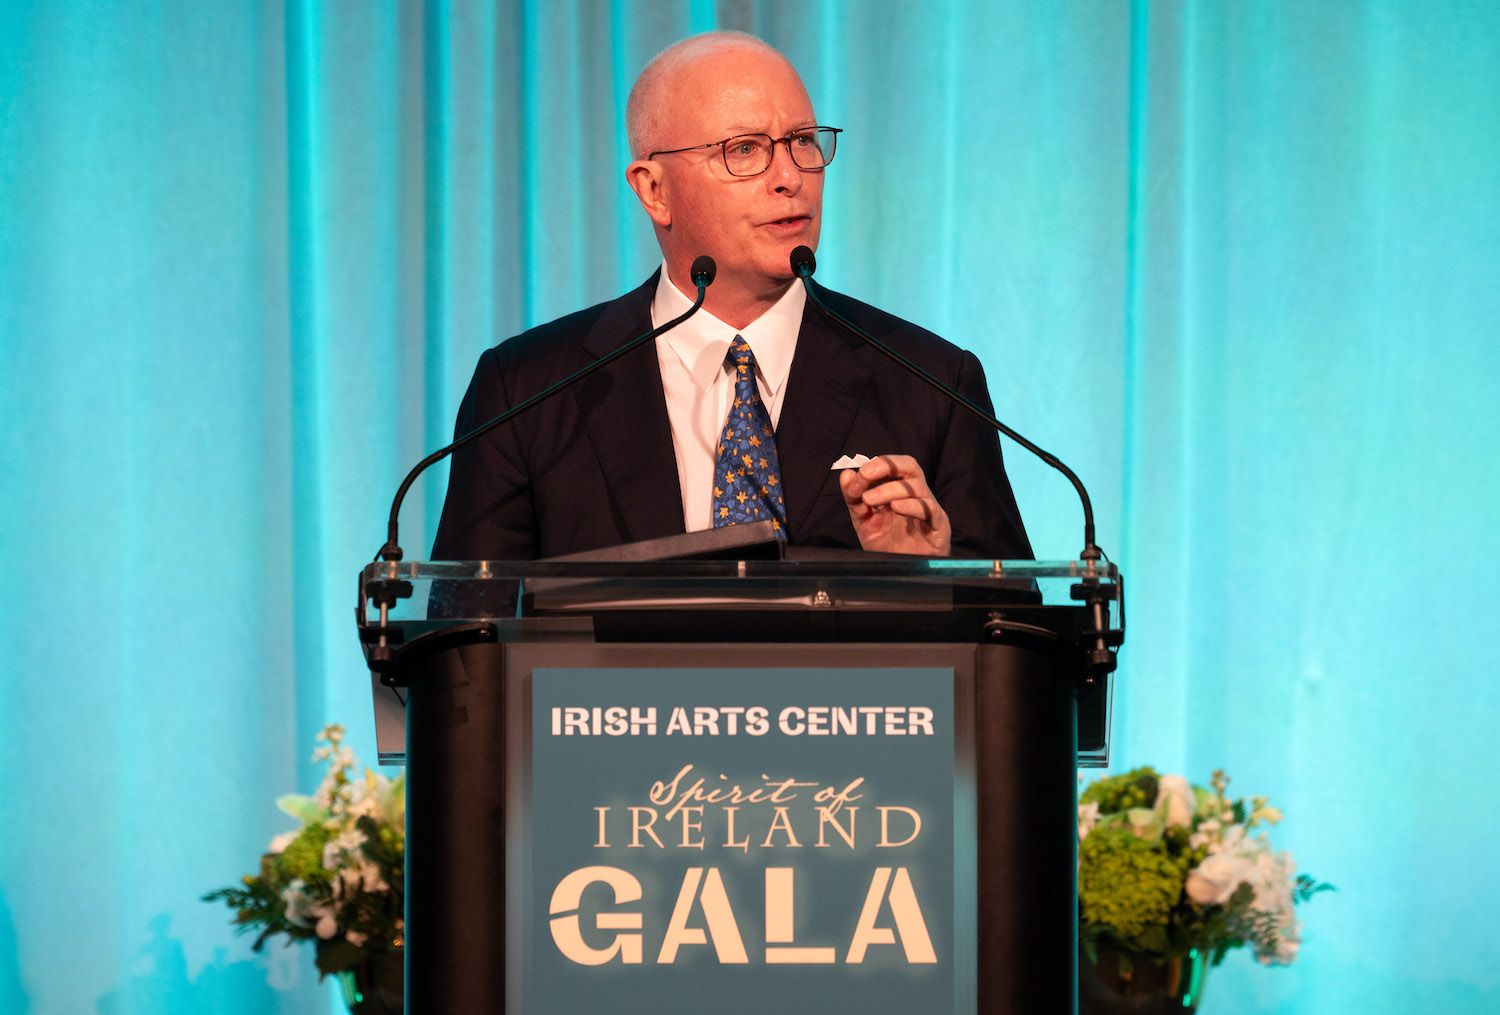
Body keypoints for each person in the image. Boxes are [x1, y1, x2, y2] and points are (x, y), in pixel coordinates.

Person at [432, 31, 1031, 562]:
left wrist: (931, 575)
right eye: (744, 149)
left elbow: (1015, 645)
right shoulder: (528, 391)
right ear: (654, 190)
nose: (789, 176)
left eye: (802, 141)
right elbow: (462, 648)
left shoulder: (931, 384)